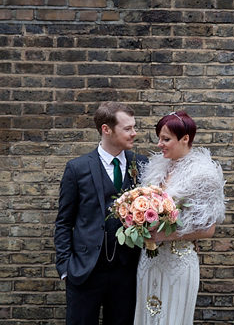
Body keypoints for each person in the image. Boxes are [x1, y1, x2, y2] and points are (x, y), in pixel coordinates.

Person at [54, 102, 148, 325]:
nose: (134, 133)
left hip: (127, 272)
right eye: (127, 129)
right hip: (85, 270)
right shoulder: (77, 169)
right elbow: (64, 222)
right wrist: (66, 267)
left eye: (133, 127)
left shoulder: (142, 164)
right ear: (106, 129)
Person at [133, 111, 226, 325]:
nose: (159, 144)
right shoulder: (157, 168)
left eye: (166, 139)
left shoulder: (203, 174)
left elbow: (208, 229)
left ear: (185, 139)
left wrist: (163, 236)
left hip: (178, 261)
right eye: (159, 139)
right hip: (149, 260)